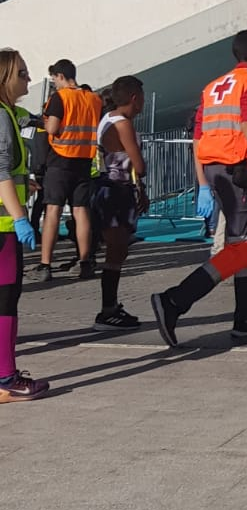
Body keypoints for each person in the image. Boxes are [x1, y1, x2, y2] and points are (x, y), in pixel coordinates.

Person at [150, 30, 247, 346]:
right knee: (243, 245)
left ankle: (246, 318)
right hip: (239, 169)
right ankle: (175, 301)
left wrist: (204, 182)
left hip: (217, 169)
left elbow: (198, 138)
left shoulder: (212, 87)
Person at [0, 51, 49, 401]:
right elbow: (0, 171)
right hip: (3, 226)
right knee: (6, 301)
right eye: (22, 73)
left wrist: (22, 182)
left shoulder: (9, 115)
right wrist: (20, 219)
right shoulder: (2, 116)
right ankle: (6, 378)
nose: (28, 79)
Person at [34, 58, 102, 281]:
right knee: (81, 211)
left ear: (61, 76)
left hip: (60, 160)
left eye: (54, 78)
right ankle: (85, 262)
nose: (54, 83)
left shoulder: (60, 97)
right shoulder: (93, 98)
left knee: (52, 210)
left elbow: (53, 128)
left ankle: (45, 265)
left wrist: (41, 123)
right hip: (84, 161)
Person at [92, 76, 149, 331]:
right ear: (135, 98)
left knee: (119, 250)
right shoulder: (123, 124)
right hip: (115, 191)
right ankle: (108, 310)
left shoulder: (109, 118)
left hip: (112, 189)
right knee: (115, 252)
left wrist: (140, 190)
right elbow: (139, 166)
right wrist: (139, 179)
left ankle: (111, 307)